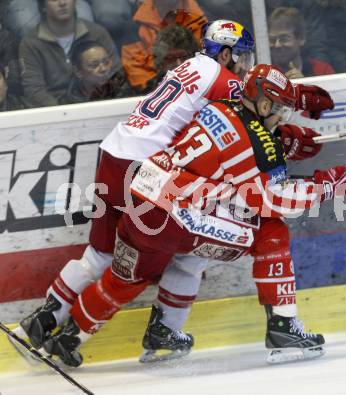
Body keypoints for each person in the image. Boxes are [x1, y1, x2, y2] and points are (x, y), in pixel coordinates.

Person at [40, 64, 346, 367]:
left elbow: (228, 155)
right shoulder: (254, 144)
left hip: (140, 200)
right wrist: (326, 187)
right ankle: (284, 327)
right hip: (175, 218)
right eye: (280, 110)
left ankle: (67, 340)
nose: (280, 117)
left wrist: (280, 137)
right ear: (263, 105)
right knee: (270, 230)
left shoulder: (216, 106)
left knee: (126, 278)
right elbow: (268, 199)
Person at [15, 19, 256, 362]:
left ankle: (40, 321)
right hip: (144, 171)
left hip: (113, 153)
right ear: (228, 53)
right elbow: (257, 115)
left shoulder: (191, 65)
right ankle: (131, 333)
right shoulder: (226, 80)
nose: (245, 65)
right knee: (174, 258)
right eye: (242, 56)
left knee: (99, 254)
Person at [19, 0, 120, 108]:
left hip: (99, 103)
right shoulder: (31, 43)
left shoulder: (97, 33)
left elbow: (116, 74)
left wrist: (97, 107)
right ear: (43, 7)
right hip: (55, 112)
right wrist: (65, 113)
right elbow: (34, 91)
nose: (62, 3)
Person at [121, 0, 207, 91]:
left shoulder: (201, 19)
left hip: (197, 89)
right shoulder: (134, 30)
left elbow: (208, 67)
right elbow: (142, 82)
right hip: (157, 95)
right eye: (170, 59)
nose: (179, 65)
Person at [268, 6, 335, 78]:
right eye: (272, 39)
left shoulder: (322, 71)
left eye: (284, 39)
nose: (277, 45)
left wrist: (304, 84)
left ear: (301, 38)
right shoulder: (261, 74)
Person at [61, 40, 133, 104]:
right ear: (78, 71)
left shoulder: (124, 89)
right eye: (94, 65)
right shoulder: (70, 103)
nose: (103, 69)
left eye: (106, 62)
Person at [142, 24, 199, 94]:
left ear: (193, 56)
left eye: (183, 57)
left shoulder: (207, 84)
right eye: (170, 59)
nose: (179, 64)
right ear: (160, 62)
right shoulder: (151, 91)